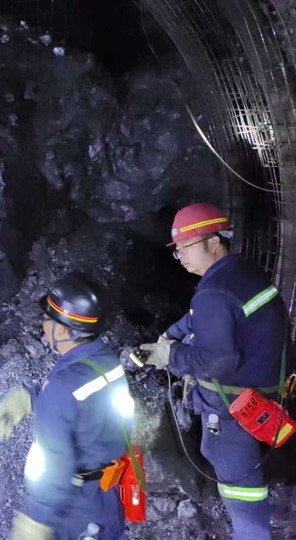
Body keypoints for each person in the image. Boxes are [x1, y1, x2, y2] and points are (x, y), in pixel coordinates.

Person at [139, 202, 288, 540]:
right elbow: (199, 318)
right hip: (263, 395)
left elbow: (218, 361)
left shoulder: (213, 292)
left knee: (242, 495)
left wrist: (170, 355)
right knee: (243, 475)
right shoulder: (242, 274)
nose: (180, 256)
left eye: (185, 246)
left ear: (214, 241)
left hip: (232, 411)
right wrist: (170, 335)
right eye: (177, 250)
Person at [0, 272, 134, 540]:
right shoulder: (105, 360)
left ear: (61, 330)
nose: (43, 325)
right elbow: (83, 402)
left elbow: (54, 465)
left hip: (73, 509)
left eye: (46, 319)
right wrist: (31, 396)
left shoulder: (63, 387)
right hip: (106, 498)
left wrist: (35, 519)